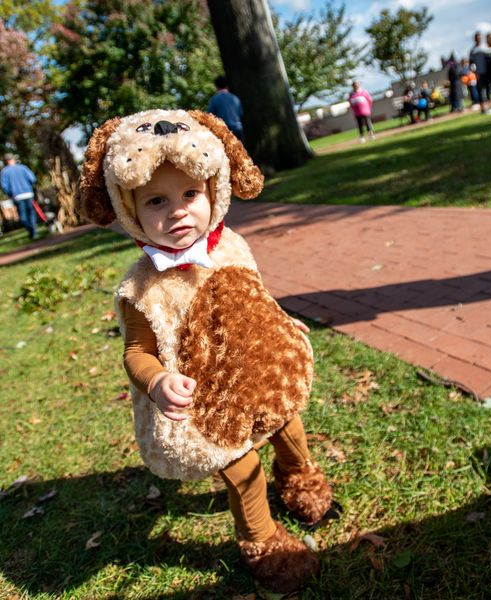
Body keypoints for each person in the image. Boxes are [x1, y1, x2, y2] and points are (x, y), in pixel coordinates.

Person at [77, 109, 337, 593]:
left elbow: (255, 296)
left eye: (190, 194)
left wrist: (279, 321)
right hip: (207, 401)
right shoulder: (142, 288)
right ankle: (262, 540)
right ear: (129, 208)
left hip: (260, 374)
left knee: (288, 425)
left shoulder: (230, 244)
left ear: (213, 189)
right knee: (242, 467)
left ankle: (300, 475)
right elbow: (136, 352)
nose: (177, 211)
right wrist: (157, 380)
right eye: (156, 200)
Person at [1, 153, 38, 240]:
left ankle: (31, 231)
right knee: (31, 213)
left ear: (6, 161)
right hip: (28, 194)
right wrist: (29, 187)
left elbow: (4, 186)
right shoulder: (23, 168)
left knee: (23, 216)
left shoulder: (5, 172)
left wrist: (10, 193)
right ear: (13, 159)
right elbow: (32, 179)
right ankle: (33, 231)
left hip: (16, 196)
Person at [469, 32, 491, 115]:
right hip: (479, 74)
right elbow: (471, 63)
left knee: (489, 90)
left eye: (480, 38)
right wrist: (475, 72)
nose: (479, 39)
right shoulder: (473, 50)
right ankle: (483, 108)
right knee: (480, 91)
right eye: (477, 38)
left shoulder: (485, 47)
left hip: (487, 72)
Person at [207, 75, 244, 140]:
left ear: (216, 86)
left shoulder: (215, 99)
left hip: (223, 131)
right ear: (227, 85)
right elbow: (241, 113)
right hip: (237, 130)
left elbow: (209, 116)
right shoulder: (235, 98)